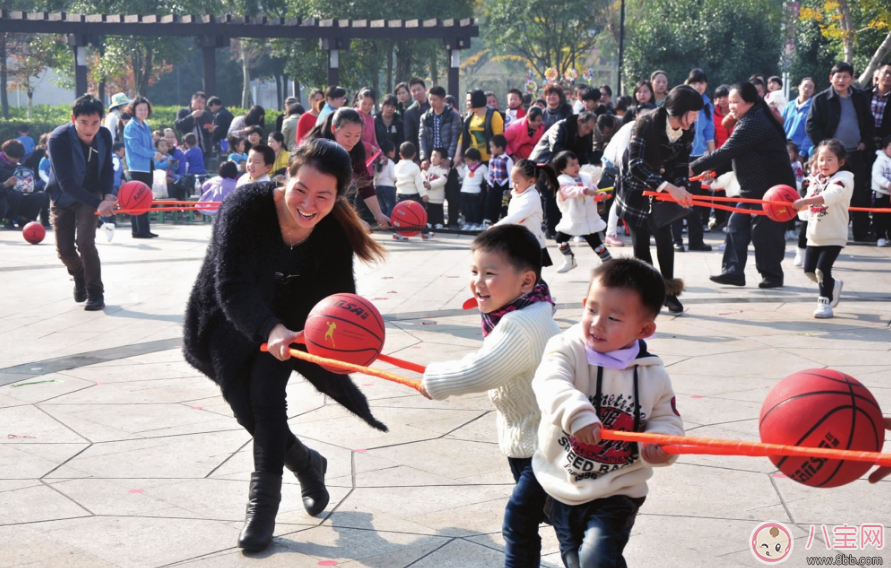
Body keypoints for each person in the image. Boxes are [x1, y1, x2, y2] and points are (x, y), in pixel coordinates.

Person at [182, 139, 388, 553]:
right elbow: (231, 284)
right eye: (301, 189)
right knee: (245, 409)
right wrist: (267, 327)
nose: (309, 203)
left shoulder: (332, 232)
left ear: (339, 195)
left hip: (292, 322)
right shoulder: (245, 207)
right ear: (286, 176)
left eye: (323, 196)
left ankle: (262, 511)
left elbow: (336, 296)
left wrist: (337, 340)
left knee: (267, 401)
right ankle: (309, 465)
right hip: (229, 315)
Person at [419, 224, 560, 568]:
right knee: (561, 523)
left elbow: (481, 370)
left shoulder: (520, 325)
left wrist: (435, 380)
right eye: (474, 272)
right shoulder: (522, 313)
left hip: (547, 446)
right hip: (531, 440)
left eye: (490, 274)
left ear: (526, 281)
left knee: (520, 522)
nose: (478, 282)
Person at [532, 258, 684, 568]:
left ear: (644, 329)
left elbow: (666, 419)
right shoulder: (564, 349)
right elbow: (549, 381)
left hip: (619, 488)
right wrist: (576, 412)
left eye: (614, 318)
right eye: (592, 310)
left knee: (596, 559)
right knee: (576, 560)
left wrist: (660, 444)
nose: (597, 323)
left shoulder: (653, 374)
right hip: (563, 485)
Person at [692, 82, 795, 289]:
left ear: (749, 101)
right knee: (736, 226)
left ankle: (772, 276)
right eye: (729, 102)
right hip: (751, 190)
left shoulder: (754, 121)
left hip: (771, 190)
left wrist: (692, 168)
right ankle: (733, 272)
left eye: (735, 101)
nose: (731, 106)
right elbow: (735, 154)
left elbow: (726, 151)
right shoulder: (748, 118)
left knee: (764, 234)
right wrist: (713, 171)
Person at [616, 86, 702, 314]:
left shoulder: (688, 130)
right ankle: (649, 295)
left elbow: (681, 163)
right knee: (641, 244)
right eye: (693, 113)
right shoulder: (646, 123)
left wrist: (682, 185)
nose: (695, 118)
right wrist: (670, 187)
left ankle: (670, 292)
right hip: (635, 188)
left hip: (664, 190)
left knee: (665, 239)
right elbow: (635, 165)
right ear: (679, 109)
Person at [45, 95, 117, 310]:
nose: (90, 129)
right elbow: (66, 183)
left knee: (85, 242)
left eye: (95, 123)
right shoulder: (58, 139)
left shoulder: (104, 136)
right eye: (84, 122)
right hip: (63, 195)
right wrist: (99, 203)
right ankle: (79, 276)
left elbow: (106, 168)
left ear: (101, 121)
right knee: (64, 250)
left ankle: (95, 292)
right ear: (73, 118)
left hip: (91, 194)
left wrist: (107, 194)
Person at [806, 62, 876, 242]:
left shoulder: (860, 97)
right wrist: (826, 147)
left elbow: (869, 123)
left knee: (859, 192)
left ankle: (860, 233)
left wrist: (864, 143)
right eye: (838, 76)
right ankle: (829, 232)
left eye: (846, 77)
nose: (842, 80)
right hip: (830, 157)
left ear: (852, 79)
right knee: (830, 193)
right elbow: (811, 127)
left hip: (855, 152)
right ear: (831, 78)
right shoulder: (821, 99)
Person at [791, 140, 853, 318]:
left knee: (821, 270)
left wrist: (805, 201)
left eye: (829, 159)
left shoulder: (844, 179)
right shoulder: (815, 181)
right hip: (815, 234)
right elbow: (806, 205)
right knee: (809, 271)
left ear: (841, 162)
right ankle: (833, 285)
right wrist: (790, 207)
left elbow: (830, 196)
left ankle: (824, 303)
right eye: (821, 159)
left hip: (834, 233)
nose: (824, 164)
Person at [305, 108, 390, 228]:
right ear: (334, 129)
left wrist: (379, 214)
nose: (352, 141)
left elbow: (364, 182)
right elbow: (323, 192)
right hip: (307, 199)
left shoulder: (356, 148)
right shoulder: (319, 147)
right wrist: (352, 220)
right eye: (347, 135)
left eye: (357, 135)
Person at [530, 111, 599, 238]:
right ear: (579, 121)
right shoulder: (561, 126)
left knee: (561, 196)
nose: (588, 131)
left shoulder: (586, 135)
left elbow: (584, 154)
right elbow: (556, 148)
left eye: (591, 129)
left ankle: (559, 228)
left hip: (563, 167)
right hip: (544, 164)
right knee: (551, 195)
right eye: (586, 127)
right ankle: (551, 230)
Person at [672, 68, 714, 253]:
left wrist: (711, 160)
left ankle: (696, 241)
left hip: (697, 157)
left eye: (702, 82)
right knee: (677, 198)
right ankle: (676, 240)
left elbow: (709, 132)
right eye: (694, 82)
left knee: (695, 201)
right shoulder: (679, 101)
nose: (698, 86)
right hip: (678, 156)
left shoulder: (707, 105)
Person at [553, 150, 612, 273]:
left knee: (596, 244)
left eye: (577, 163)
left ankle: (610, 265)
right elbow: (571, 191)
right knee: (560, 238)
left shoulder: (585, 177)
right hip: (573, 219)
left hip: (589, 218)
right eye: (572, 165)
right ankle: (569, 260)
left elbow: (594, 190)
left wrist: (601, 195)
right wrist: (585, 191)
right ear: (563, 170)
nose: (576, 167)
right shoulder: (562, 182)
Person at [493, 159, 557, 269]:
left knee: (532, 277)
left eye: (517, 182)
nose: (514, 185)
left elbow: (517, 215)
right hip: (518, 242)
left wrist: (496, 226)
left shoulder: (531, 196)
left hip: (532, 244)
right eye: (512, 181)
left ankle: (540, 287)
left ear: (531, 181)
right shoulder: (517, 194)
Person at [123, 96, 161, 239]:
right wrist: (152, 154)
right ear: (133, 110)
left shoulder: (145, 125)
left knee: (146, 199)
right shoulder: (131, 127)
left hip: (147, 166)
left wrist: (154, 155)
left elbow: (149, 146)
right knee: (137, 200)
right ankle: (137, 230)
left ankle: (145, 229)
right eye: (140, 109)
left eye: (145, 109)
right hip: (137, 167)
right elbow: (135, 147)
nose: (143, 111)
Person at [0, 140, 50, 228]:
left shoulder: (19, 166)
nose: (16, 160)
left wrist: (29, 185)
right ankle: (9, 219)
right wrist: (5, 184)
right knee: (16, 194)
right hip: (4, 198)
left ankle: (25, 218)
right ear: (5, 153)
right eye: (14, 157)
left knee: (41, 195)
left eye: (18, 158)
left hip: (20, 195)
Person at [392, 142, 430, 241]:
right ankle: (425, 233)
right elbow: (419, 183)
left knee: (400, 215)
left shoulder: (396, 166)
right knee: (419, 214)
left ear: (400, 154)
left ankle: (397, 233)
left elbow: (393, 178)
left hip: (400, 194)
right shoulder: (415, 167)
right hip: (413, 196)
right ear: (414, 154)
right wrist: (424, 194)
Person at [418, 85, 461, 167]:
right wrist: (424, 158)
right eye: (430, 99)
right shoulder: (425, 117)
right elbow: (422, 138)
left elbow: (455, 137)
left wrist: (449, 157)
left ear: (443, 100)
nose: (432, 102)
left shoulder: (452, 115)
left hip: (447, 157)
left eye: (435, 100)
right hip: (432, 158)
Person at [783, 77, 816, 160]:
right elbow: (781, 125)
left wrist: (802, 153)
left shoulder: (814, 107)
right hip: (785, 147)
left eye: (810, 87)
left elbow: (811, 132)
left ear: (813, 91)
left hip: (801, 150)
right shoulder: (789, 105)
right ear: (799, 86)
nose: (807, 89)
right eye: (805, 86)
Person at [484, 135, 513, 227]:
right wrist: (489, 182)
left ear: (500, 148)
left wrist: (510, 188)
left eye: (492, 147)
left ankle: (503, 222)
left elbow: (510, 175)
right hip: (493, 185)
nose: (490, 149)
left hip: (503, 185)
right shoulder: (492, 158)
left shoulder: (507, 160)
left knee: (503, 204)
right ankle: (490, 221)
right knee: (491, 203)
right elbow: (490, 171)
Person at [174, 91, 214, 156]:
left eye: (203, 103)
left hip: (204, 150)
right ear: (192, 100)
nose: (200, 105)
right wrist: (192, 116)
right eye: (199, 101)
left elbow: (209, 134)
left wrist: (210, 131)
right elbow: (177, 125)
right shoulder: (183, 112)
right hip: (188, 149)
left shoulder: (205, 114)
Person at [457, 147, 487, 230]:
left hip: (475, 192)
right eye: (466, 160)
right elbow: (463, 175)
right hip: (464, 191)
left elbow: (487, 177)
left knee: (475, 209)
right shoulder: (467, 167)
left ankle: (476, 223)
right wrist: (459, 167)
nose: (466, 162)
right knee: (466, 208)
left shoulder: (482, 167)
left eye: (468, 161)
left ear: (476, 160)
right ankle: (468, 222)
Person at [402, 78, 430, 157]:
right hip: (420, 154)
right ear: (410, 93)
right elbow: (409, 138)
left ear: (425, 89)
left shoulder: (434, 106)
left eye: (419, 89)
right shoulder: (409, 112)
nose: (417, 93)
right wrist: (414, 157)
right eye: (413, 91)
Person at [872, 135, 891, 247]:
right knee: (880, 217)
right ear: (884, 149)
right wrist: (887, 184)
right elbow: (876, 176)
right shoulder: (880, 160)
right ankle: (880, 236)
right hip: (881, 194)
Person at [374, 95, 405, 161]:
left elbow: (401, 141)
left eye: (393, 106)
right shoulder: (375, 121)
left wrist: (393, 152)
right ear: (383, 106)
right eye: (387, 106)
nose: (390, 109)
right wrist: (380, 153)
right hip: (378, 157)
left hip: (395, 158)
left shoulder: (399, 122)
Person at [425, 147, 450, 230]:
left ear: (442, 159)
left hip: (438, 196)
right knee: (429, 209)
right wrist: (424, 183)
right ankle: (429, 222)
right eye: (432, 155)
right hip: (428, 195)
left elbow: (443, 180)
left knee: (438, 210)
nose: (433, 158)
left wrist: (431, 184)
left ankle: (439, 223)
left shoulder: (443, 168)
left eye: (436, 156)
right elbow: (422, 175)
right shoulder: (428, 167)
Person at [373, 140, 397, 217]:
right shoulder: (390, 162)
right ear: (390, 152)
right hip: (388, 188)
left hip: (378, 187)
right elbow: (393, 176)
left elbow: (375, 175)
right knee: (391, 207)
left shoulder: (378, 162)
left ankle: (382, 224)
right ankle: (388, 224)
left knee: (382, 208)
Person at [355, 88, 380, 159]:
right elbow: (353, 139)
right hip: (355, 154)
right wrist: (369, 146)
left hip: (367, 157)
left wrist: (381, 155)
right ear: (358, 101)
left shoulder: (371, 118)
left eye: (370, 104)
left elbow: (373, 140)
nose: (366, 107)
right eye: (364, 103)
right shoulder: (354, 115)